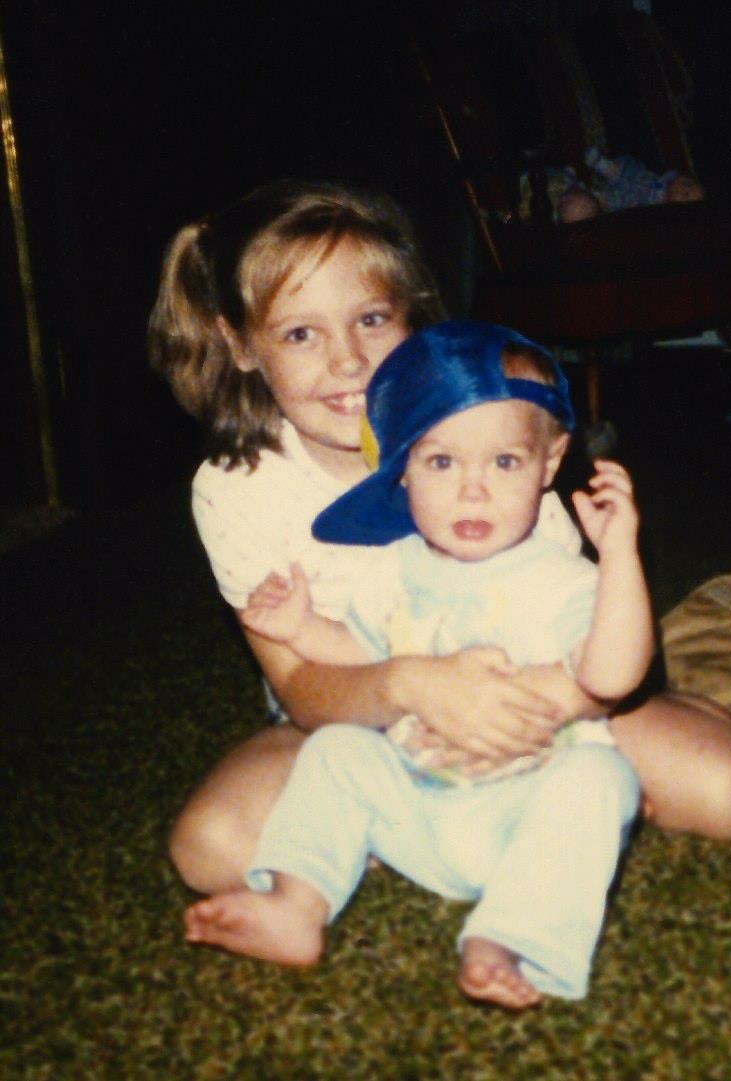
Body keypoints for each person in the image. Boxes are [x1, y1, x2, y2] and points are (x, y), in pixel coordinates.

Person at [148, 177, 731, 905]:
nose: (349, 361)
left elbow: (569, 628)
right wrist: (414, 686)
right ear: (240, 345)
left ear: (412, 316)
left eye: (372, 319)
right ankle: (459, 812)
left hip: (530, 687)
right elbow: (302, 687)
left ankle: (498, 803)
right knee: (213, 849)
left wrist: (542, 711)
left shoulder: (490, 428)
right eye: (300, 332)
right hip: (354, 718)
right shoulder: (238, 486)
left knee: (728, 790)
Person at [186, 322, 650, 1008]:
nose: (472, 491)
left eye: (504, 463)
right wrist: (304, 628)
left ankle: (509, 935)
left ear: (549, 464)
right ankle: (296, 902)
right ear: (400, 469)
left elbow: (610, 676)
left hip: (525, 813)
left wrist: (619, 559)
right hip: (415, 802)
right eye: (441, 463)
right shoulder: (392, 571)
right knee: (340, 748)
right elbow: (369, 653)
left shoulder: (562, 579)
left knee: (602, 774)